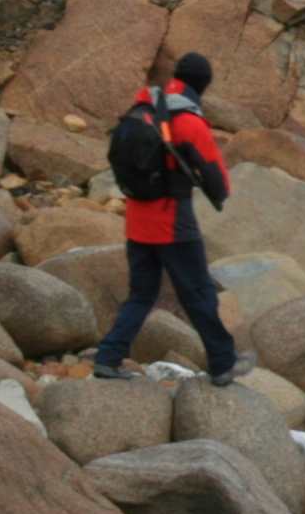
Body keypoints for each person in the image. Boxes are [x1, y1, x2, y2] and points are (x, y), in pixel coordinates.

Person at [91, 51, 253, 386]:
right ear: (202, 84)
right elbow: (217, 180)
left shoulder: (147, 107)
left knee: (140, 295)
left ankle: (107, 357)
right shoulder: (188, 120)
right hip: (173, 223)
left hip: (137, 221)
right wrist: (217, 193)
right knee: (199, 293)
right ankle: (223, 364)